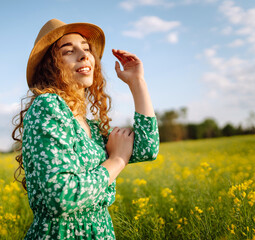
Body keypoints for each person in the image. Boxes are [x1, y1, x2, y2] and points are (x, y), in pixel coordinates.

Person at [12, 19, 159, 239]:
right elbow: (61, 197)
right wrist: (117, 161)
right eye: (68, 51)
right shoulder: (48, 107)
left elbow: (147, 149)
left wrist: (137, 83)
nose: (84, 55)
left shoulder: (88, 126)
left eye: (86, 48)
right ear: (50, 65)